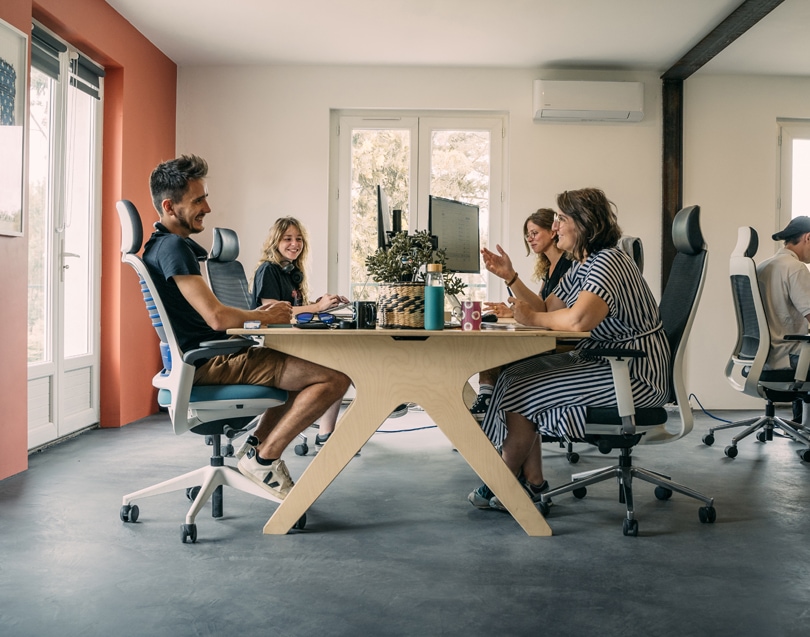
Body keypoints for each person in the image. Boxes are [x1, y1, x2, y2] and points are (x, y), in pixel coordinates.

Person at [144, 154, 351, 500]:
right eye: (198, 200)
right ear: (169, 206)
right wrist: (267, 316)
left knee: (309, 374)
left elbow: (214, 316)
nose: (207, 208)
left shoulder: (165, 247)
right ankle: (265, 458)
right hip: (210, 363)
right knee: (335, 378)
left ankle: (256, 451)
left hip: (209, 357)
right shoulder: (174, 249)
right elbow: (217, 318)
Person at [468, 187, 670, 512]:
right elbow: (547, 306)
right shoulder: (583, 264)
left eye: (561, 219)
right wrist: (511, 278)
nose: (556, 226)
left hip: (633, 375)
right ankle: (529, 480)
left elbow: (578, 320)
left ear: (583, 223)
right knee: (513, 375)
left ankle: (502, 480)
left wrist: (532, 317)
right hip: (608, 365)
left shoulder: (610, 261)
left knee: (521, 385)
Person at [468, 209, 574, 421]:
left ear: (552, 232)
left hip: (564, 343)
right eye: (528, 234)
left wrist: (511, 277)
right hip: (554, 336)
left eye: (534, 233)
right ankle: (487, 403)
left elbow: (543, 310)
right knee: (495, 340)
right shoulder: (549, 267)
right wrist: (515, 309)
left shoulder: (569, 265)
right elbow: (541, 305)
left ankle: (487, 404)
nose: (530, 239)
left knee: (496, 346)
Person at [252, 216, 349, 445]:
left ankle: (326, 434)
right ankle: (326, 436)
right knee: (337, 367)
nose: (294, 244)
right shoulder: (268, 271)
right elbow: (272, 312)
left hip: (290, 342)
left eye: (299, 239)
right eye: (287, 239)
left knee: (342, 361)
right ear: (275, 241)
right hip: (273, 348)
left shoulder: (292, 272)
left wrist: (323, 304)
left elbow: (294, 310)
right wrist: (316, 308)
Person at [756, 216, 810, 423]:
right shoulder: (794, 268)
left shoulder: (764, 265)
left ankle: (801, 424)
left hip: (764, 356)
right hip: (787, 358)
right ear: (808, 238)